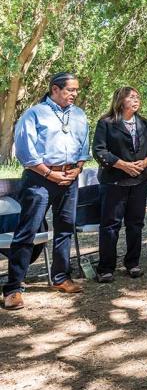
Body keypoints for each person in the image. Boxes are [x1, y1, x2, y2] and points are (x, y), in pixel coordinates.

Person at [3, 72, 89, 310]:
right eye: (70, 90)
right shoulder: (34, 114)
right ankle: (13, 289)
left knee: (65, 229)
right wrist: (50, 174)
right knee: (26, 232)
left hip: (69, 178)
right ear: (54, 89)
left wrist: (77, 169)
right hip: (40, 180)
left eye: (76, 90)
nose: (74, 94)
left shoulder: (79, 115)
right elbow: (25, 151)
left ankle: (60, 277)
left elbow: (84, 147)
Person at [92, 87, 147, 282]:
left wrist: (146, 162)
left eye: (138, 97)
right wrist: (122, 165)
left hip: (139, 180)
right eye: (131, 97)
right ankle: (105, 268)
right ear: (120, 100)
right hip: (114, 181)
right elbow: (99, 151)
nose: (136, 100)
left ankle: (133, 263)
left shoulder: (144, 123)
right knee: (110, 225)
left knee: (135, 224)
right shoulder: (106, 123)